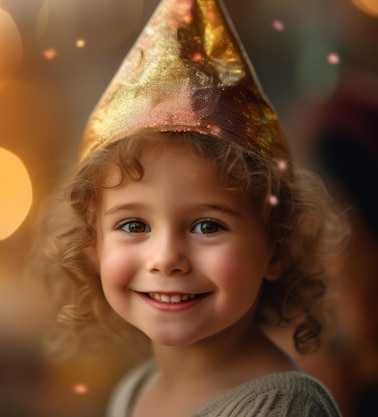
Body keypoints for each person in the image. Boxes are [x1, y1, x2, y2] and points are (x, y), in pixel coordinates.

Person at [31, 0, 346, 415]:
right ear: (91, 245)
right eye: (132, 225)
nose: (166, 259)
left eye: (206, 226)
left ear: (278, 245)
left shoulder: (283, 408)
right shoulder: (134, 392)